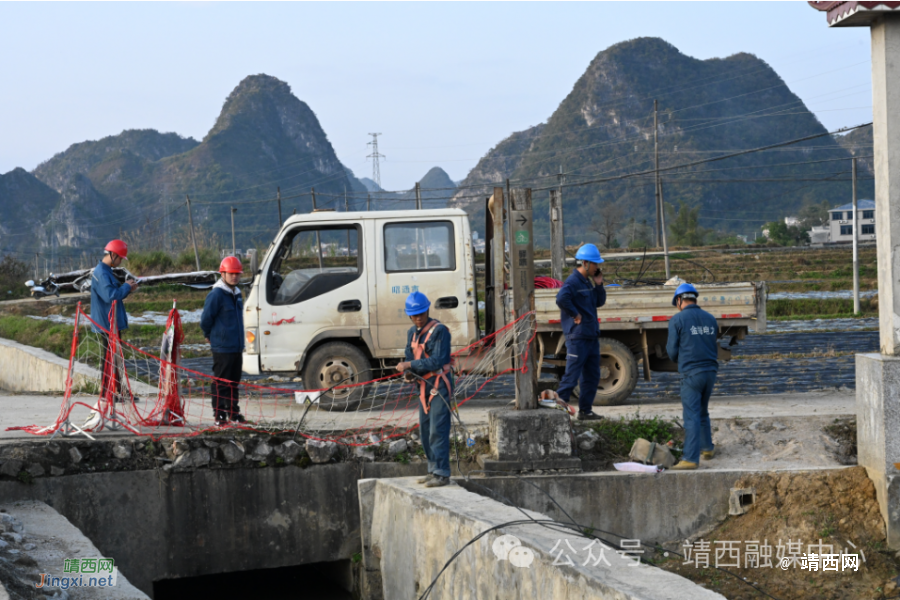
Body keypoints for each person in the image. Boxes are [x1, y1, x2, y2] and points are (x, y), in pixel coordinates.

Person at [395, 291, 453, 488]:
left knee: (438, 428)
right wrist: (408, 373)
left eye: (421, 313)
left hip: (439, 384)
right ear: (410, 316)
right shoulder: (412, 333)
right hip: (423, 386)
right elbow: (408, 355)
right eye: (415, 315)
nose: (418, 318)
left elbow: (438, 360)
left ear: (427, 310)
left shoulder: (439, 331)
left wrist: (410, 366)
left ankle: (442, 473)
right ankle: (432, 469)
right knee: (426, 428)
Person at [666, 283, 720, 471]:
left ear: (679, 300)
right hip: (710, 373)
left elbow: (672, 352)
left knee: (691, 415)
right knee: (703, 410)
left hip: (691, 374)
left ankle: (690, 458)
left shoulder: (677, 320)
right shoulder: (711, 319)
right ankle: (707, 448)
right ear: (694, 298)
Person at [555, 243, 606, 421]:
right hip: (578, 337)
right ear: (585, 263)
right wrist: (575, 314)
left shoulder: (587, 282)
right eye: (595, 264)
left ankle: (586, 411)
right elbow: (561, 299)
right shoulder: (573, 281)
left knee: (592, 376)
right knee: (572, 375)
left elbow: (599, 302)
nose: (597, 267)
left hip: (591, 335)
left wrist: (599, 284)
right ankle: (558, 410)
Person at [90, 239, 139, 403]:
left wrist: (127, 288)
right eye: (120, 259)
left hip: (109, 321)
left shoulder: (106, 271)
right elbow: (111, 296)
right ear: (113, 255)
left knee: (115, 358)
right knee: (109, 358)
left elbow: (114, 293)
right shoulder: (102, 273)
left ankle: (118, 390)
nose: (119, 263)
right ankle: (106, 393)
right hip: (106, 323)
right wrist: (126, 286)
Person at [201, 256, 246, 426]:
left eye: (237, 274)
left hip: (236, 346)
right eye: (231, 273)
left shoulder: (237, 293)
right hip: (222, 346)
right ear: (223, 273)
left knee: (234, 381)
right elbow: (206, 318)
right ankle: (219, 415)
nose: (235, 277)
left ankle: (234, 413)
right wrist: (208, 334)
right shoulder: (216, 294)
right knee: (221, 382)